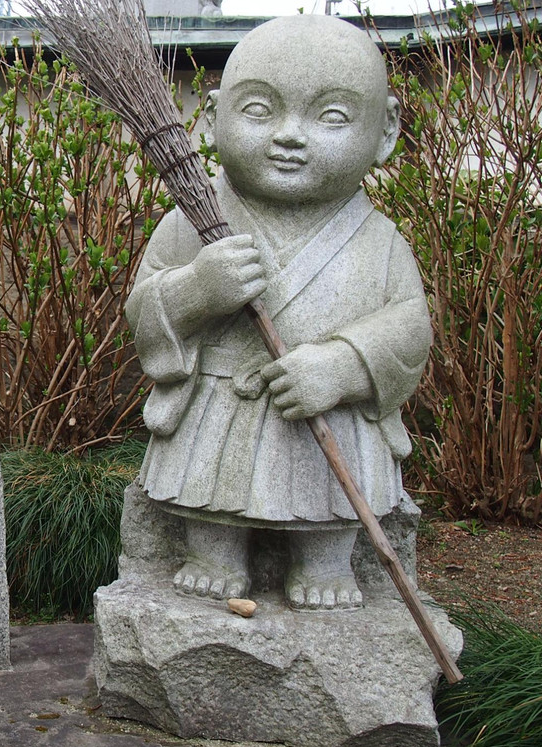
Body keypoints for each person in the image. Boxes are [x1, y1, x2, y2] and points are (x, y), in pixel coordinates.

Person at [126, 14, 432, 610]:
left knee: (331, 498)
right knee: (211, 495)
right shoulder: (190, 224)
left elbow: (408, 327)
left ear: (387, 129)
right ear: (212, 119)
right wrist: (195, 290)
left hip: (327, 413)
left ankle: (327, 561)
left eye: (332, 117)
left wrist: (344, 366)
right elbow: (144, 312)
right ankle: (214, 552)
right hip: (223, 403)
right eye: (260, 110)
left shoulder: (378, 239)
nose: (290, 135)